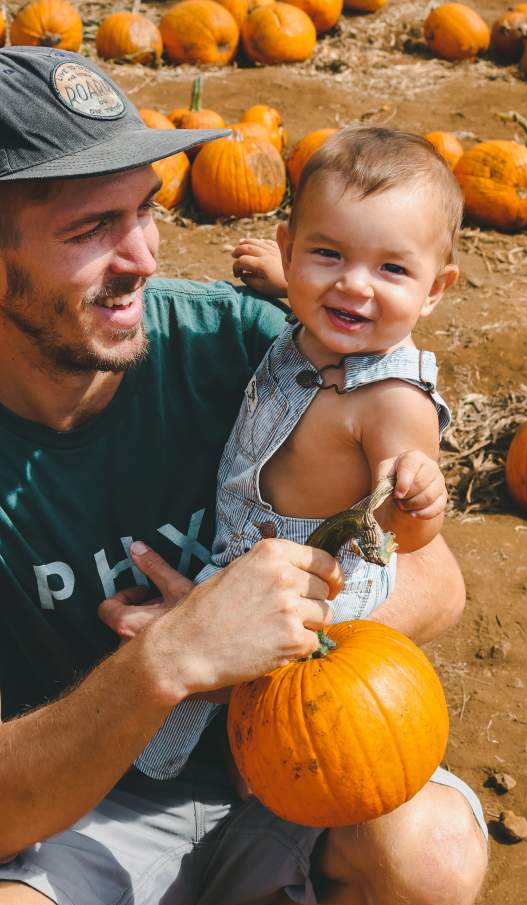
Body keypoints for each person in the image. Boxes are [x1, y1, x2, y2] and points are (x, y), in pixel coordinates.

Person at [0, 46, 487, 905]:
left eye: (144, 211)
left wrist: (268, 650)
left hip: (300, 769)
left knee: (432, 855)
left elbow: (436, 580)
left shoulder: (247, 346)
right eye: (89, 230)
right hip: (97, 807)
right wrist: (172, 659)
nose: (145, 257)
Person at [134, 125, 460, 782]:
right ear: (291, 248)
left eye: (392, 269)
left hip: (325, 589)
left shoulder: (394, 399)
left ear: (433, 289)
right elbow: (327, 307)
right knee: (180, 699)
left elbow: (411, 538)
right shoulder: (322, 327)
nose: (355, 287)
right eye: (328, 254)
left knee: (290, 725)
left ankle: (251, 784)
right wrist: (289, 283)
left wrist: (420, 490)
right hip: (254, 558)